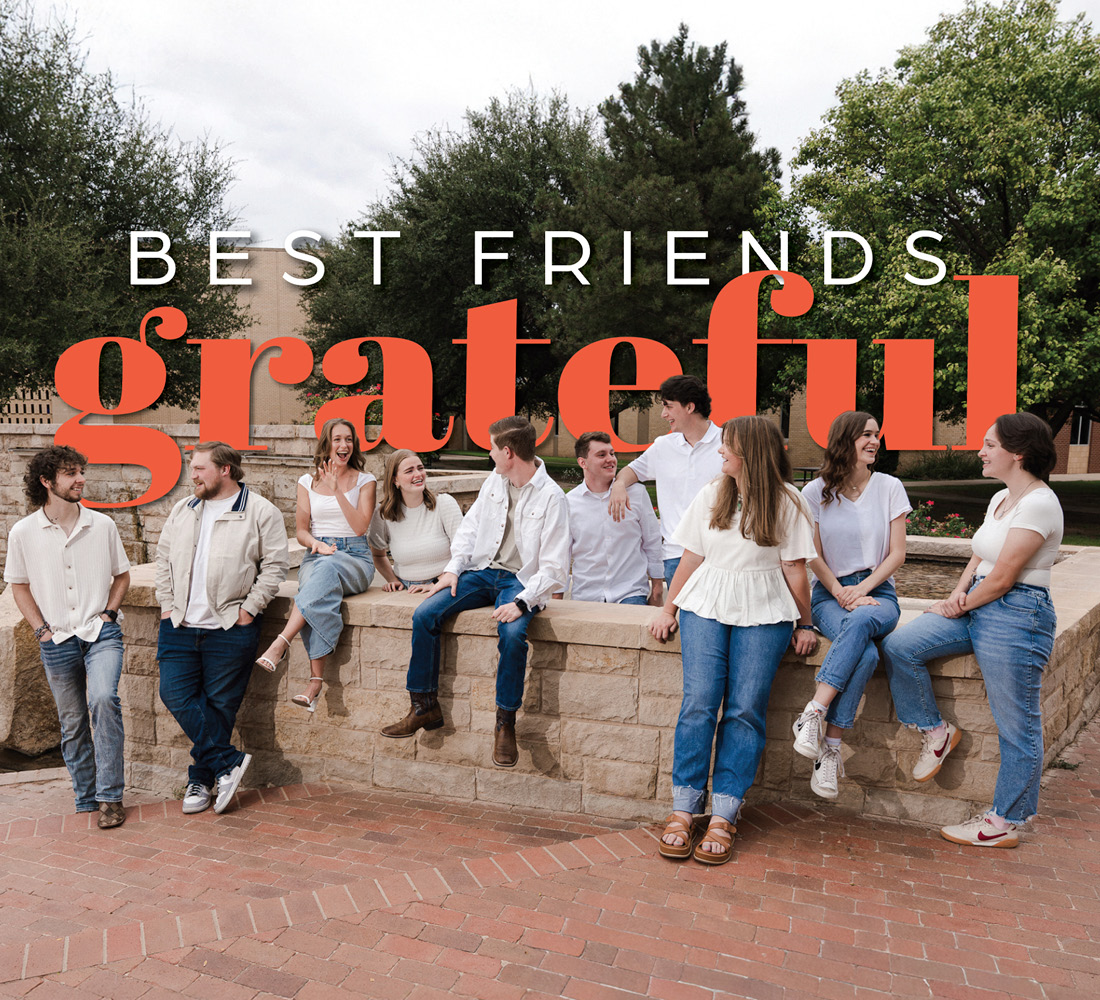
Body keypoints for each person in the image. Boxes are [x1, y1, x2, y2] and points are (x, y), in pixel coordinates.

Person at [882, 413, 1062, 848]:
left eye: (989, 445)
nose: (980, 451)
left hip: (1019, 613)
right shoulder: (1001, 498)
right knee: (899, 644)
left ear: (1017, 453)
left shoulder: (1039, 502)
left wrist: (960, 603)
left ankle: (1004, 822)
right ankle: (935, 730)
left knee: (1017, 724)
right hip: (980, 601)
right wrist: (956, 593)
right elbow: (980, 559)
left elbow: (1004, 577)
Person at [649, 416, 818, 865]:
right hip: (705, 603)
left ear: (751, 453)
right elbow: (691, 556)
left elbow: (795, 569)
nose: (719, 451)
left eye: (727, 446)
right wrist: (669, 608)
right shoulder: (714, 493)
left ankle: (724, 813)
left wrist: (806, 623)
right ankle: (684, 808)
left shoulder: (790, 502)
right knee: (700, 700)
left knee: (745, 708)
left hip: (765, 609)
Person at [379, 416, 569, 766]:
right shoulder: (494, 483)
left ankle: (505, 723)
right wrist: (452, 571)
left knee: (512, 634)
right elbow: (468, 532)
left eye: (493, 449)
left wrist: (522, 602)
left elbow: (555, 567)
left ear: (508, 452)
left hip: (521, 582)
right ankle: (424, 706)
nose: (490, 455)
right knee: (425, 614)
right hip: (482, 573)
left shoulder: (552, 497)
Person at [156, 442, 289, 816]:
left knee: (219, 708)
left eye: (199, 468)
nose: (192, 475)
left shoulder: (261, 511)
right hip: (179, 625)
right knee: (174, 694)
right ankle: (228, 762)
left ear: (225, 469)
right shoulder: (184, 509)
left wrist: (250, 609)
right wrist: (167, 604)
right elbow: (163, 558)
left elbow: (276, 566)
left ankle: (200, 779)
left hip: (230, 627)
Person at [4, 446, 131, 829]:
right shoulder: (23, 532)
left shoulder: (102, 525)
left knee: (104, 699)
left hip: (100, 632)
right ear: (46, 481)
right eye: (70, 473)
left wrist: (109, 613)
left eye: (81, 471)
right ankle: (85, 796)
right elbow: (19, 585)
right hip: (56, 639)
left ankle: (111, 798)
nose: (81, 479)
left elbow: (122, 575)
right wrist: (40, 630)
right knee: (72, 720)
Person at [791, 412, 911, 799]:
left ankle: (813, 711)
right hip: (829, 593)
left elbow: (897, 554)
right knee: (866, 657)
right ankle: (830, 749)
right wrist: (840, 589)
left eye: (877, 434)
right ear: (845, 441)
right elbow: (812, 554)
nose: (875, 441)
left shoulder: (890, 486)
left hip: (880, 592)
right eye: (866, 435)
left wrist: (862, 590)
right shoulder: (815, 492)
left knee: (861, 619)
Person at [255, 419, 376, 710]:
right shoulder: (306, 482)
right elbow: (300, 530)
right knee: (318, 582)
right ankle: (314, 685)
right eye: (337, 439)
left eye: (348, 439)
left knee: (317, 578)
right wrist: (315, 544)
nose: (343, 445)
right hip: (318, 553)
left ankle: (281, 643)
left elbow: (360, 527)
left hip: (356, 558)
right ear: (326, 443)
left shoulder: (365, 481)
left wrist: (336, 490)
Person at [609, 375, 723, 586]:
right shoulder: (663, 446)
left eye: (668, 407)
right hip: (676, 556)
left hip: (721, 555)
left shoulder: (728, 442)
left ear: (689, 407)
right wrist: (618, 484)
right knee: (677, 618)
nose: (663, 414)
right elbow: (631, 471)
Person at [566, 432, 664, 606]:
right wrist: (558, 593)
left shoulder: (637, 494)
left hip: (630, 593)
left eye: (612, 453)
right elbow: (562, 553)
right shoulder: (569, 503)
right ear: (583, 463)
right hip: (586, 596)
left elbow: (652, 541)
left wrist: (657, 588)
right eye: (601, 455)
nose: (610, 459)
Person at [369, 449, 462, 592]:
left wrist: (437, 582)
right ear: (395, 480)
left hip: (444, 584)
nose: (418, 474)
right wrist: (392, 580)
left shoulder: (444, 504)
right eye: (409, 471)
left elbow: (464, 549)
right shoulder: (384, 514)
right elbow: (377, 555)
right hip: (406, 588)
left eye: (420, 468)